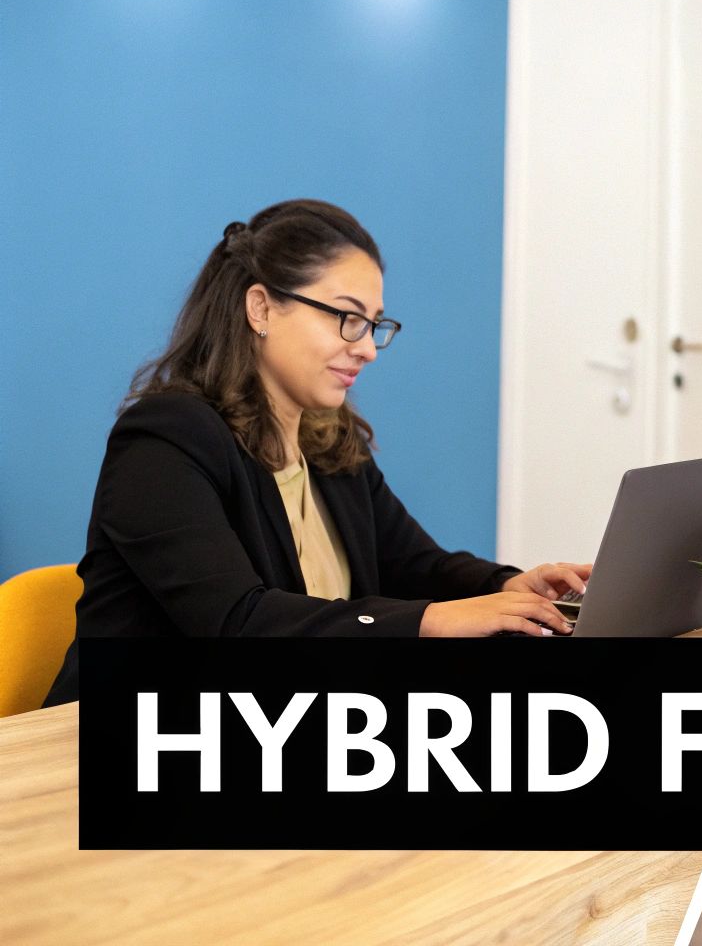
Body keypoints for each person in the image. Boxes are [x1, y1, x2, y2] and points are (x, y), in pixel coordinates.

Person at [44, 199, 588, 706]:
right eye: (347, 317)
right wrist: (432, 621)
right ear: (261, 308)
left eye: (373, 325)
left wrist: (507, 586)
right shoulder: (164, 440)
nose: (367, 348)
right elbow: (236, 622)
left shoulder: (329, 441)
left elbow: (415, 565)